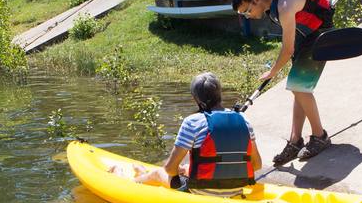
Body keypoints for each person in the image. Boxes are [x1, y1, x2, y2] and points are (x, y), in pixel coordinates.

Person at [232, 0, 334, 166]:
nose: (248, 17)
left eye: (246, 11)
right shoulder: (270, 0)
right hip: (304, 33)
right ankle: (295, 141)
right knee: (298, 87)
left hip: (320, 33)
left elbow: (288, 50)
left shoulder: (284, 6)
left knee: (298, 86)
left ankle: (320, 136)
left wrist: (272, 72)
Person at [112, 72, 263, 196]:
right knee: (184, 168)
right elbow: (257, 165)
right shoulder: (243, 120)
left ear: (196, 99)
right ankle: (142, 173)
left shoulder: (193, 121)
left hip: (199, 190)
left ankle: (125, 182)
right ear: (219, 94)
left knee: (159, 173)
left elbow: (170, 169)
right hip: (235, 190)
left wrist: (182, 170)